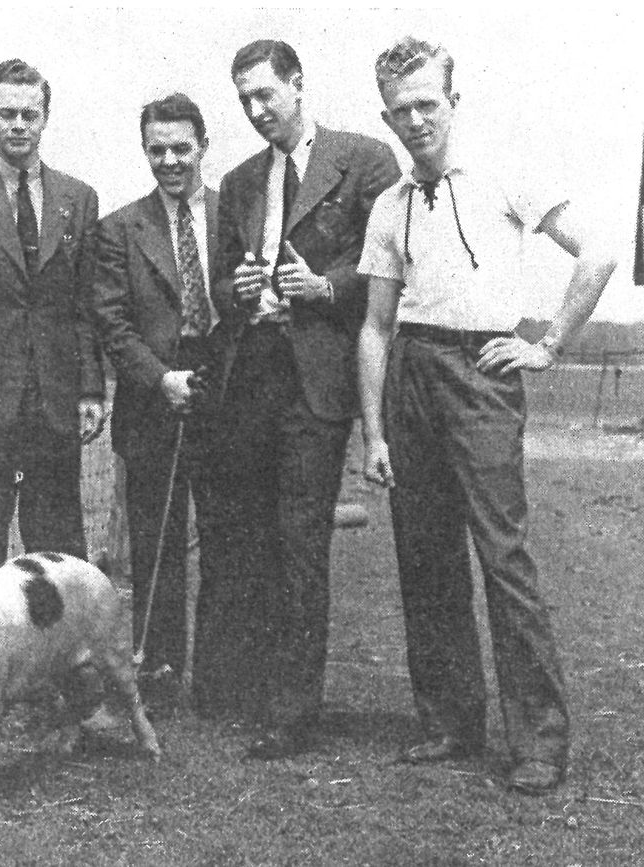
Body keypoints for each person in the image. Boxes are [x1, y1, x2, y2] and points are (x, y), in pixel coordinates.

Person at [357, 36, 617, 794]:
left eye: (427, 104)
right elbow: (375, 325)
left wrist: (548, 344)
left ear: (453, 102)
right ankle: (448, 721)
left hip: (483, 373)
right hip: (412, 373)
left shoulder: (505, 174)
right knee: (425, 554)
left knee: (503, 556)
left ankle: (538, 739)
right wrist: (373, 431)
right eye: (400, 110)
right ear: (387, 116)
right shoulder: (390, 205)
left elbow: (598, 251)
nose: (416, 121)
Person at [205, 39, 400, 757]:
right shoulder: (239, 179)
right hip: (250, 375)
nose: (257, 111)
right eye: (245, 100)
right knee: (250, 535)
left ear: (298, 85)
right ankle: (257, 689)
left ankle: (293, 712)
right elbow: (224, 281)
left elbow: (385, 258)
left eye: (267, 95)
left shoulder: (365, 158)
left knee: (299, 539)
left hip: (316, 378)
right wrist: (244, 287)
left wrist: (325, 287)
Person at [0, 59, 104, 584]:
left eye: (30, 114)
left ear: (46, 118)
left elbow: (85, 305)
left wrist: (91, 390)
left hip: (53, 402)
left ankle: (58, 666)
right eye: (7, 113)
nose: (19, 125)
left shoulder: (77, 199)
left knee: (59, 555)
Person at [91, 93, 219, 691]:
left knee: (226, 536)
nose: (170, 161)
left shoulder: (237, 211)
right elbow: (111, 323)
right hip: (152, 397)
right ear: (145, 150)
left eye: (181, 149)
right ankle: (162, 665)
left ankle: (225, 675)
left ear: (202, 147)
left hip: (224, 393)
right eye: (157, 149)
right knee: (156, 542)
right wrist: (160, 379)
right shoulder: (118, 228)